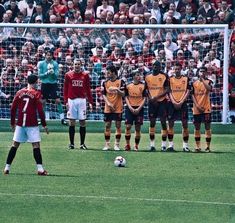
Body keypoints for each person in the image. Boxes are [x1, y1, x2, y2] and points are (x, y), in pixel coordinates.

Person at [3, 74, 49, 175]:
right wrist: (44, 124)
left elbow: (13, 109)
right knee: (36, 145)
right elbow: (40, 111)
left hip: (20, 123)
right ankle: (40, 169)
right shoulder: (36, 94)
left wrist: (12, 123)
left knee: (15, 145)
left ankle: (7, 167)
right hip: (32, 123)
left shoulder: (19, 92)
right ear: (35, 82)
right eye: (38, 82)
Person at [63, 58, 93, 150]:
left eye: (78, 64)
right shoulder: (68, 75)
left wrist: (91, 102)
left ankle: (82, 144)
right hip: (71, 100)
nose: (77, 66)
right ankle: (71, 143)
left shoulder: (85, 75)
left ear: (81, 65)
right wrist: (66, 101)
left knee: (82, 122)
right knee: (71, 122)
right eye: (75, 64)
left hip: (82, 100)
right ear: (73, 65)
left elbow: (88, 89)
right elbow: (65, 89)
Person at [145, 60, 168, 152]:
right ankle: (152, 145)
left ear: (160, 67)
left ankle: (163, 145)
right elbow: (146, 90)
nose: (155, 67)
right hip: (152, 102)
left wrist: (157, 97)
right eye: (153, 65)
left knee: (163, 122)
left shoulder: (164, 76)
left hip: (162, 101)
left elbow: (167, 90)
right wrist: (151, 98)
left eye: (157, 66)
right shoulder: (147, 76)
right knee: (152, 123)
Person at [167, 62, 190, 152]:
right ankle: (171, 145)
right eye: (175, 69)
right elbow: (169, 91)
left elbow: (187, 91)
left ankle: (185, 146)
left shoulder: (186, 79)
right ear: (173, 69)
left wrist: (181, 102)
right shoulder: (170, 79)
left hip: (183, 104)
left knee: (184, 124)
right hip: (172, 104)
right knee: (170, 124)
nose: (176, 70)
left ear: (181, 69)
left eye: (178, 69)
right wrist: (174, 102)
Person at [38, 49, 65, 123]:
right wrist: (46, 73)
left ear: (52, 56)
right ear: (45, 55)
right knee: (43, 102)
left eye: (50, 55)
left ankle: (62, 119)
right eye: (47, 55)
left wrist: (52, 73)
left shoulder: (55, 64)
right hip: (45, 84)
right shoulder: (41, 64)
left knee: (58, 101)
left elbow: (56, 76)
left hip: (53, 84)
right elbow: (40, 76)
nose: (49, 56)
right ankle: (42, 119)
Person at [102, 65, 125, 151]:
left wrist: (117, 89)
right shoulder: (105, 82)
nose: (107, 74)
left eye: (108, 72)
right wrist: (108, 103)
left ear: (114, 73)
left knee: (118, 125)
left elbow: (123, 94)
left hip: (118, 107)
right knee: (107, 125)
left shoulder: (121, 82)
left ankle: (117, 144)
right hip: (108, 107)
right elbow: (104, 94)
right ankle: (107, 144)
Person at [192, 66, 213, 152]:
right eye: (201, 71)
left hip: (206, 108)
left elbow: (209, 89)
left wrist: (203, 80)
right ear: (198, 72)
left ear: (206, 73)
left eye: (204, 71)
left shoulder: (209, 81)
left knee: (207, 127)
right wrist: (197, 106)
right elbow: (192, 95)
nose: (202, 73)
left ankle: (207, 147)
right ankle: (198, 147)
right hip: (197, 108)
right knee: (197, 127)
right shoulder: (194, 83)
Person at [124, 70, 146, 151]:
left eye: (139, 75)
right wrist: (130, 107)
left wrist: (139, 108)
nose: (139, 76)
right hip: (130, 108)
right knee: (128, 126)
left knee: (137, 128)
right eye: (137, 75)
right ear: (133, 76)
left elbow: (144, 98)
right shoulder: (128, 86)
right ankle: (127, 144)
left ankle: (136, 145)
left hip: (139, 108)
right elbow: (126, 97)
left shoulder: (143, 86)